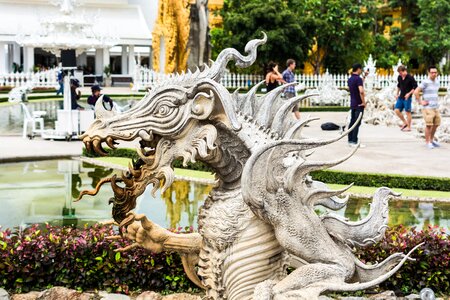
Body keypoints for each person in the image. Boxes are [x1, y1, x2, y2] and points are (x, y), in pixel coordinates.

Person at [414, 66, 441, 149]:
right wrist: (420, 101)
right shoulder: (425, 82)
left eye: (435, 72)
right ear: (429, 73)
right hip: (428, 107)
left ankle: (432, 140)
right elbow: (416, 92)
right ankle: (427, 142)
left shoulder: (437, 82)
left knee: (436, 124)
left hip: (435, 107)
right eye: (432, 72)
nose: (434, 74)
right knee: (429, 125)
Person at [347, 63, 366, 147]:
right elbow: (361, 91)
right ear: (358, 69)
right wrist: (363, 102)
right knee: (357, 123)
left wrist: (364, 77)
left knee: (352, 122)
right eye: (360, 69)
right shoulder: (358, 79)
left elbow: (356, 86)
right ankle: (354, 141)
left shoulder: (350, 79)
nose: (361, 70)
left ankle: (350, 140)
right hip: (359, 103)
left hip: (353, 103)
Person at [394, 65, 417, 132]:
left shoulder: (410, 77)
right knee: (396, 110)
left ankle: (409, 127)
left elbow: (415, 87)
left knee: (407, 112)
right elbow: (398, 85)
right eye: (399, 73)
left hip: (407, 98)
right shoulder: (399, 77)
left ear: (404, 71)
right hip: (401, 97)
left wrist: (409, 94)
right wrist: (397, 94)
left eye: (401, 73)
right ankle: (405, 122)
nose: (400, 74)